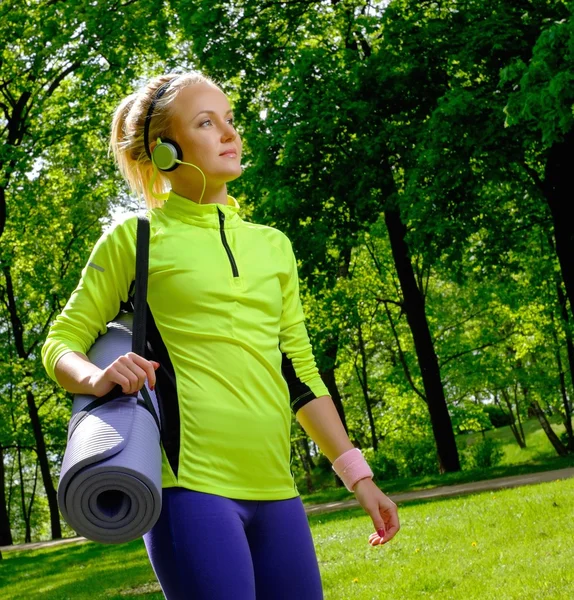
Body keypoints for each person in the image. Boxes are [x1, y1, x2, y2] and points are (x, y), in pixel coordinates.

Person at [42, 72, 400, 600]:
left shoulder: (273, 246)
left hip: (277, 487)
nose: (229, 133)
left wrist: (359, 477)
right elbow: (60, 340)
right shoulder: (135, 239)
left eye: (229, 119)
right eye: (206, 123)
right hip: (189, 488)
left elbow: (298, 370)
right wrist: (96, 376)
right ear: (164, 150)